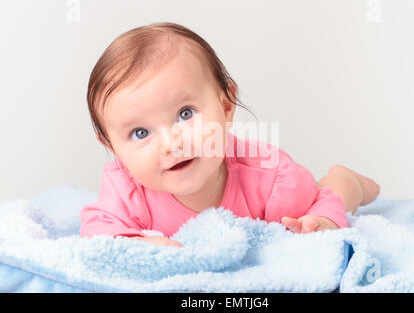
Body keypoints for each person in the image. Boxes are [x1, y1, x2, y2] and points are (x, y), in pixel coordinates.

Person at [81, 22, 380, 247]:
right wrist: (138, 244)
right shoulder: (125, 189)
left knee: (332, 194)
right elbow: (97, 234)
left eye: (185, 114)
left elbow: (321, 203)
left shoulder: (271, 181)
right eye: (140, 132)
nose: (172, 144)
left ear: (225, 106)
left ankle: (348, 179)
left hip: (292, 189)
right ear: (113, 148)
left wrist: (324, 221)